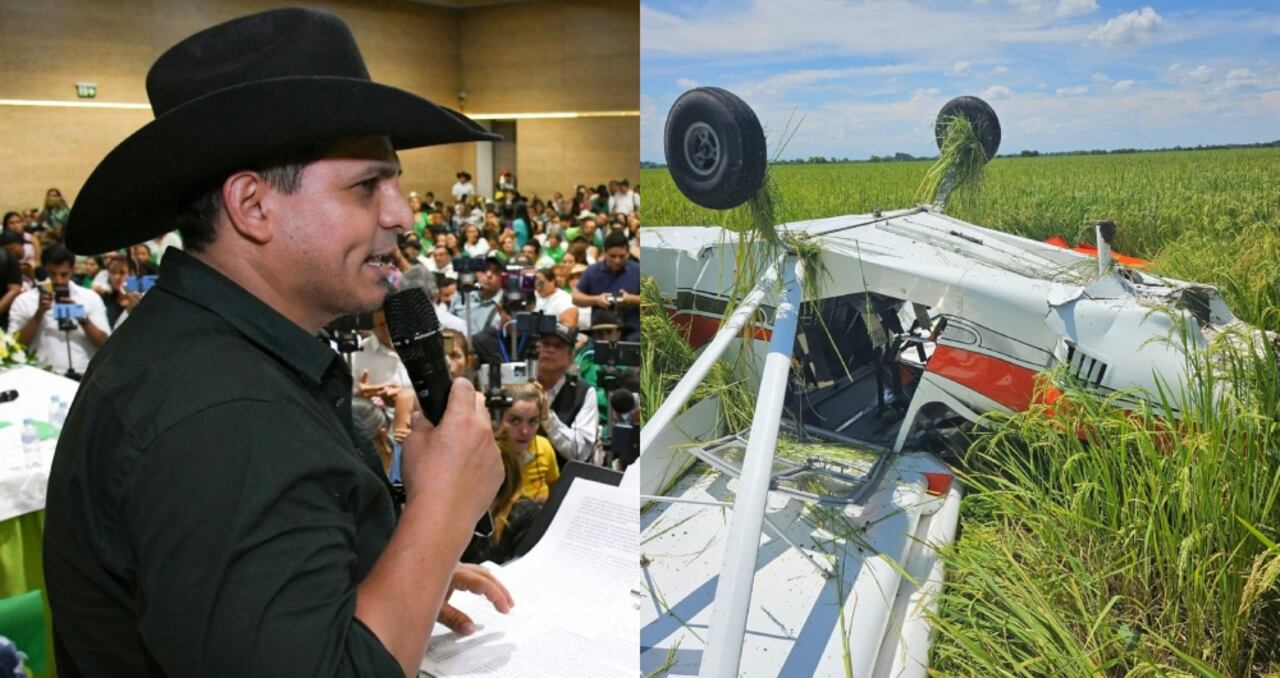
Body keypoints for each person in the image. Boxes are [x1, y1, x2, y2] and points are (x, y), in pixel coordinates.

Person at [44, 9, 511, 676]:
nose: (402, 213)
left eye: (396, 183)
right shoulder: (223, 416)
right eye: (366, 185)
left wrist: (394, 570)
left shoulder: (202, 351)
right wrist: (440, 514)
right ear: (253, 206)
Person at [8, 244, 111, 377]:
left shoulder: (90, 298)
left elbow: (105, 344)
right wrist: (39, 314)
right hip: (40, 375)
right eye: (52, 274)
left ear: (72, 271)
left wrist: (82, 317)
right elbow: (14, 346)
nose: (58, 280)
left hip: (84, 376)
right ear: (43, 271)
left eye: (64, 274)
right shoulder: (24, 301)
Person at [535, 322, 598, 467]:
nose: (550, 350)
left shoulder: (583, 393)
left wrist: (548, 418)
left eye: (558, 346)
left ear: (570, 357)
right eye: (545, 344)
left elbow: (581, 453)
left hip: (563, 479)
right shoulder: (519, 383)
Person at [573, 229, 640, 341]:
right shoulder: (592, 271)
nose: (617, 261)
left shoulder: (638, 271)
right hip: (600, 334)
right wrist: (596, 300)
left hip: (633, 335)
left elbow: (653, 303)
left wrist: (630, 299)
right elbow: (576, 298)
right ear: (604, 253)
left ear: (628, 253)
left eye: (621, 256)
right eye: (612, 256)